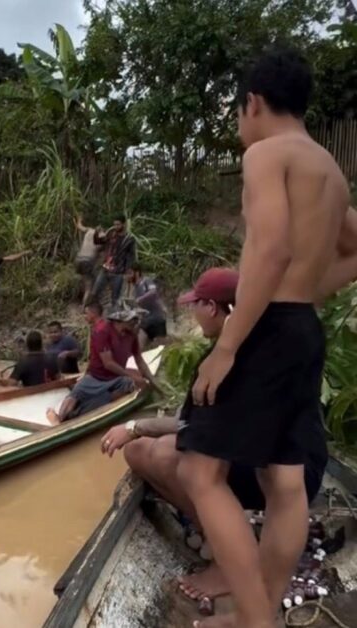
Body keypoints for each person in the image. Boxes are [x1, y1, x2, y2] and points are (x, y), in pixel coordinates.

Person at [175, 48, 354, 628]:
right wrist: (310, 291)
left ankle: (256, 620)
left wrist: (226, 348)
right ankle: (259, 612)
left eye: (237, 112)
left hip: (268, 327)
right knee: (284, 480)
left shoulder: (265, 154)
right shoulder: (329, 170)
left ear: (252, 102)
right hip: (301, 327)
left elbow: (271, 250)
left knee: (200, 472)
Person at [99, 268, 327, 607]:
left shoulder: (225, 359)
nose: (193, 313)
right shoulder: (279, 334)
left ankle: (228, 564)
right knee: (159, 449)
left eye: (195, 305)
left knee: (162, 455)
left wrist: (134, 428)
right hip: (301, 472)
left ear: (211, 307)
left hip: (274, 475)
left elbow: (188, 429)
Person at [46, 305, 156, 425]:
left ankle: (89, 411)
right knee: (77, 393)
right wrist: (132, 376)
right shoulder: (102, 332)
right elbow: (108, 363)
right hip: (96, 376)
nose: (136, 324)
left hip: (116, 377)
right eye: (133, 320)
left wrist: (153, 381)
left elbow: (139, 360)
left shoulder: (131, 335)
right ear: (120, 321)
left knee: (127, 387)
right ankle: (59, 419)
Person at [92, 216, 136, 309]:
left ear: (124, 224)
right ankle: (96, 312)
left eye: (118, 224)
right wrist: (96, 233)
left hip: (118, 272)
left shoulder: (129, 239)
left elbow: (131, 256)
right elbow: (98, 241)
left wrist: (128, 270)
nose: (116, 226)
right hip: (105, 269)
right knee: (95, 292)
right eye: (114, 224)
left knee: (115, 298)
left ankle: (114, 314)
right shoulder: (111, 235)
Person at [125, 262, 167, 348]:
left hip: (156, 319)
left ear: (137, 272)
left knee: (160, 347)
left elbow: (153, 292)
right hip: (145, 321)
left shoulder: (146, 281)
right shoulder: (134, 288)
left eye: (130, 273)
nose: (128, 276)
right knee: (139, 347)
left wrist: (140, 299)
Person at [74, 216, 101, 305]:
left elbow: (79, 226)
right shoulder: (102, 238)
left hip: (78, 259)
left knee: (83, 279)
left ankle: (79, 297)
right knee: (89, 286)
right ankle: (83, 307)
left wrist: (79, 219)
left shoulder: (89, 230)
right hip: (88, 261)